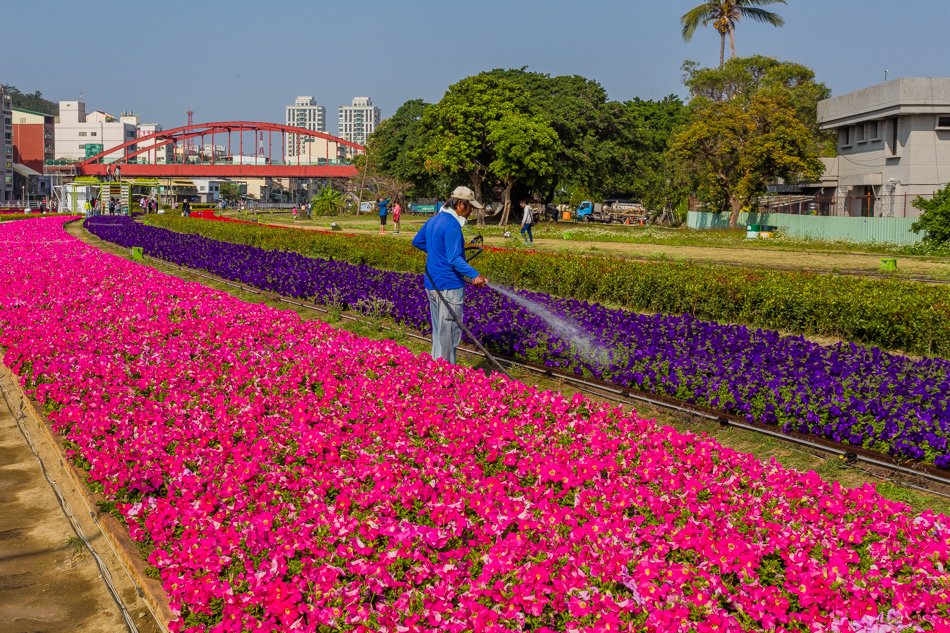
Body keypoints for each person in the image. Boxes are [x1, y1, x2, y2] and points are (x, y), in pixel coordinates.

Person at [412, 186, 488, 365]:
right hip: (449, 286)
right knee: (449, 334)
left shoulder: (434, 220)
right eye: (470, 208)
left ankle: (435, 370)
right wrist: (475, 275)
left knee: (439, 331)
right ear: (461, 204)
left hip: (432, 285)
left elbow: (417, 241)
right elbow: (454, 258)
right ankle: (446, 375)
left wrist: (437, 253)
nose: (470, 213)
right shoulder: (453, 225)